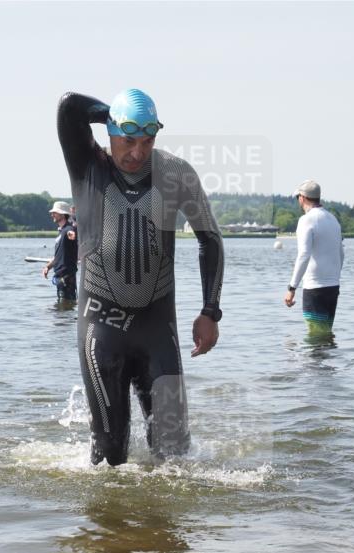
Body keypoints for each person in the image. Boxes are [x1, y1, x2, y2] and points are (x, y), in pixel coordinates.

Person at [58, 87, 224, 466]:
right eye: (128, 140)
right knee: (110, 456)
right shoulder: (89, 167)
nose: (137, 152)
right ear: (110, 134)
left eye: (147, 141)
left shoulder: (175, 173)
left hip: (157, 330)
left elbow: (210, 239)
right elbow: (69, 107)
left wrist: (210, 311)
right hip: (102, 330)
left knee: (176, 456)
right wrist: (111, 113)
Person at [284, 179, 344, 335]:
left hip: (315, 288)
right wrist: (335, 278)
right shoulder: (333, 220)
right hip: (333, 287)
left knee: (315, 337)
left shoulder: (306, 220)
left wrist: (292, 287)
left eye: (298, 197)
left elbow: (304, 254)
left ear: (302, 197)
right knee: (325, 335)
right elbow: (341, 254)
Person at [42, 200, 78, 301]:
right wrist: (47, 267)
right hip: (60, 276)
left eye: (55, 212)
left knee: (64, 306)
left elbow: (72, 234)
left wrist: (73, 235)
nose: (52, 214)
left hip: (67, 277)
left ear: (62, 214)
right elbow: (58, 256)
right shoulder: (61, 231)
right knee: (62, 307)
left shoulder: (68, 229)